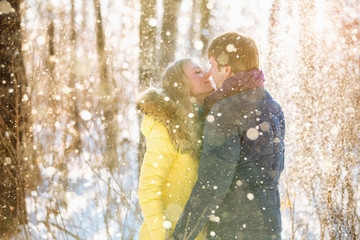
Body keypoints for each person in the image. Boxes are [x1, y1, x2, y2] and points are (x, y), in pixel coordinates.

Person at [171, 32, 285, 240]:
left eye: (213, 66)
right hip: (271, 228)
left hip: (235, 230)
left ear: (226, 69)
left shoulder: (226, 111)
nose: (210, 73)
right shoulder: (272, 106)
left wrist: (180, 236)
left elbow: (211, 186)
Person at [137, 58, 215, 240]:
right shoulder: (167, 129)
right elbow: (148, 189)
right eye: (197, 72)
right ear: (181, 85)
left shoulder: (204, 125)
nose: (207, 74)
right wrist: (160, 235)